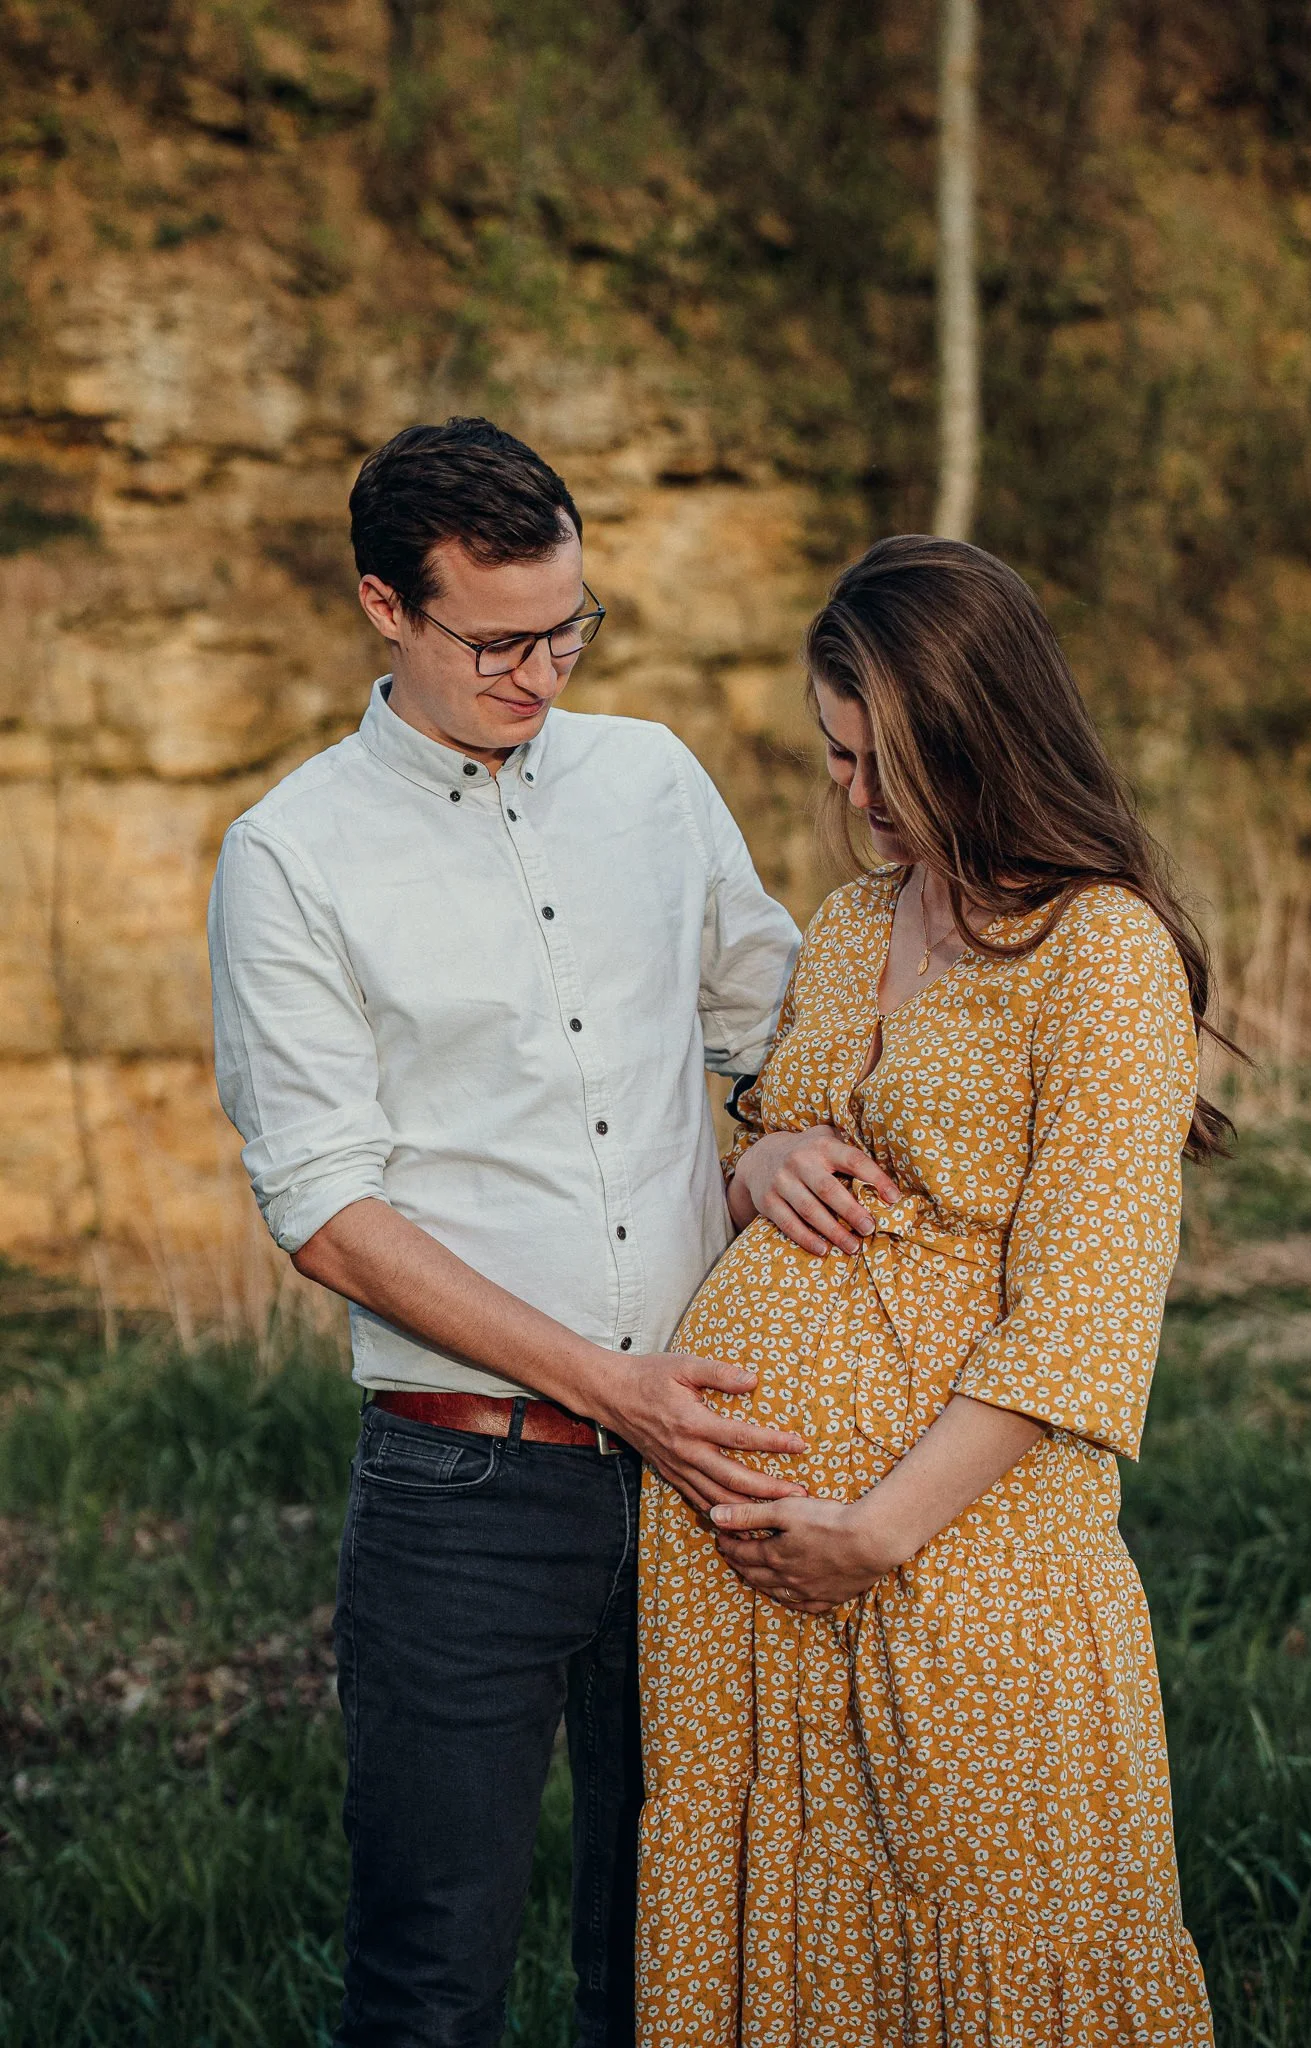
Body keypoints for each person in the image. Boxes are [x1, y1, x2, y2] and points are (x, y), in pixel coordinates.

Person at [207, 416, 804, 2048]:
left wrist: (763, 1145)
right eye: (498, 641)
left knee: (675, 1957)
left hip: (708, 1462)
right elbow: (326, 1210)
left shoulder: (655, 778)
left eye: (569, 628)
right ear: (383, 609)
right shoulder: (290, 857)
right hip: (462, 1486)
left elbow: (765, 1023)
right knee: (430, 1972)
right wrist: (610, 1389)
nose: (541, 672)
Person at [635, 535, 1221, 2046]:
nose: (851, 798)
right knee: (786, 1936)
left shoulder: (1105, 955)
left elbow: (1089, 1310)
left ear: (972, 737)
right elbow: (772, 1129)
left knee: (991, 1925)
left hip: (961, 1555)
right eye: (835, 758)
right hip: (746, 1576)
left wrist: (875, 1530)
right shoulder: (844, 929)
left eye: (877, 762)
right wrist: (755, 1170)